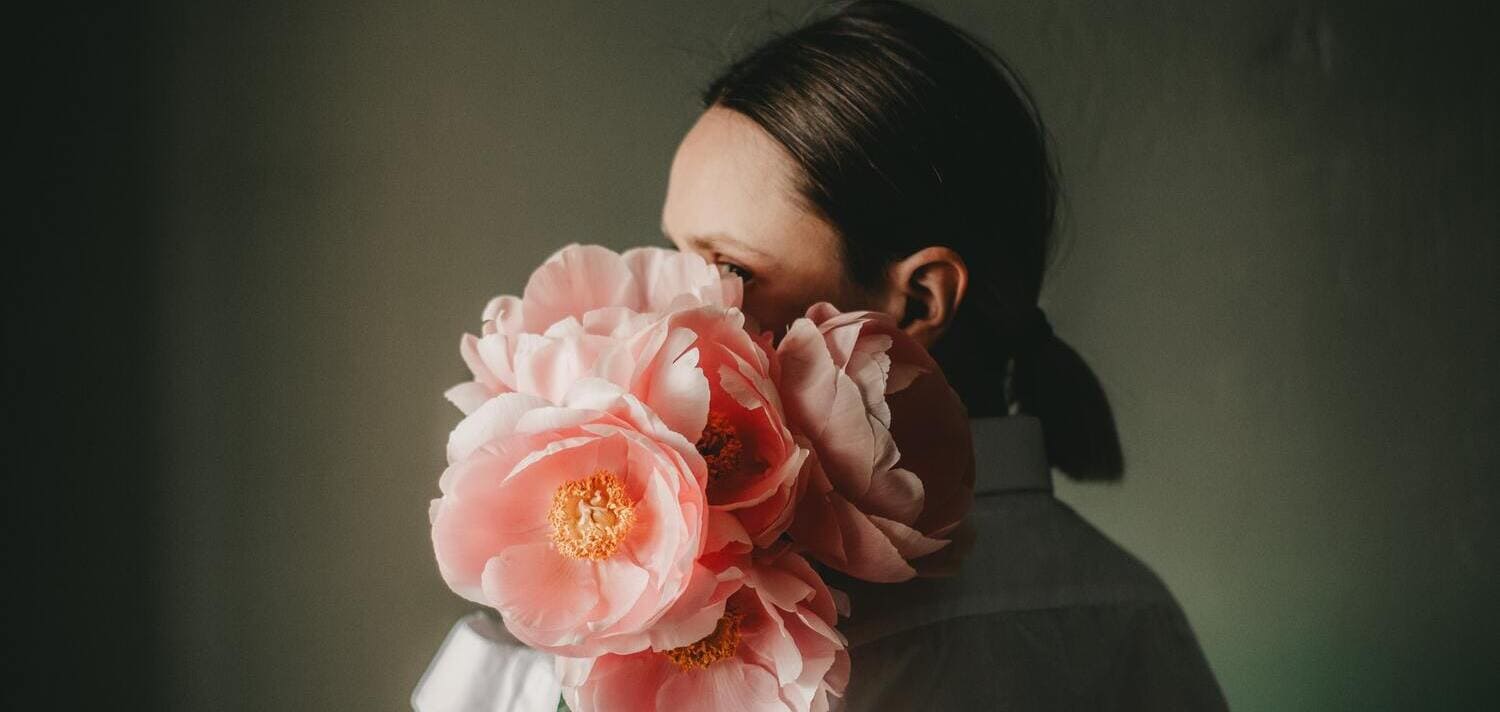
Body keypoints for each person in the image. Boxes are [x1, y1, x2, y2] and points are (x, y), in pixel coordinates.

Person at [416, 1, 1227, 709]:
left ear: (917, 302)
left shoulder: (764, 647)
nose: (666, 310)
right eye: (672, 256)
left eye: (727, 268)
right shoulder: (1132, 611)